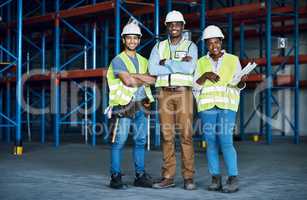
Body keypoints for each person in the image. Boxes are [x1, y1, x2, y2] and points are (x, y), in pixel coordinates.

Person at [148, 10, 198, 190]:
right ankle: (168, 177)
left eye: (178, 23)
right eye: (171, 24)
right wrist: (177, 64)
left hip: (183, 93)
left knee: (186, 135)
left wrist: (166, 63)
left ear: (183, 26)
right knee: (167, 136)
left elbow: (190, 68)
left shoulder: (191, 46)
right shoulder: (158, 46)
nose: (174, 26)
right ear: (167, 27)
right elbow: (152, 69)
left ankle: (188, 177)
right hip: (164, 94)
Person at [194, 25, 247, 193]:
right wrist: (205, 75)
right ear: (206, 44)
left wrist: (241, 81)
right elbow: (194, 86)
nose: (213, 46)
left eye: (216, 42)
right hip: (207, 107)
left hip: (226, 106)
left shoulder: (233, 59)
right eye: (209, 43)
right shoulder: (201, 62)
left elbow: (238, 85)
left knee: (226, 141)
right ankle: (215, 178)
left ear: (221, 42)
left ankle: (233, 178)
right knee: (210, 143)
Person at [106, 21, 156, 189]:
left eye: (135, 38)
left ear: (139, 40)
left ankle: (140, 175)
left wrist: (135, 76)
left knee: (140, 141)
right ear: (123, 40)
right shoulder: (117, 61)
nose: (132, 41)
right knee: (119, 142)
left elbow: (153, 79)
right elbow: (128, 82)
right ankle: (115, 176)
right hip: (124, 106)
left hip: (142, 105)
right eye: (129, 38)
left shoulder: (144, 60)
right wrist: (141, 77)